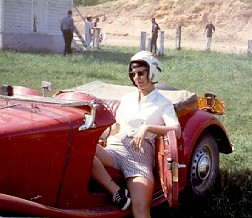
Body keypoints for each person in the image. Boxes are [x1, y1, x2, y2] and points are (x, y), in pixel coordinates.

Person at [91, 51, 181, 218]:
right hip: (115, 148)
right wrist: (97, 135)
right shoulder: (127, 98)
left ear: (152, 73)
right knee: (83, 151)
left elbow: (176, 130)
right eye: (133, 74)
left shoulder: (163, 103)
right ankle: (117, 192)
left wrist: (148, 128)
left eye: (141, 73)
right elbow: (117, 126)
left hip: (139, 156)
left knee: (140, 211)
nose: (136, 78)